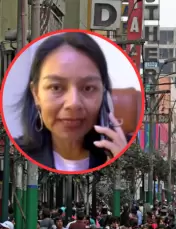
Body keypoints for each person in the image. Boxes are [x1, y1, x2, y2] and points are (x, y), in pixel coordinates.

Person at [15, 32, 128, 171]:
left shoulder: (121, 151)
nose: (73, 103)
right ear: (36, 93)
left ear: (104, 96)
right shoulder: (15, 157)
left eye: (88, 88)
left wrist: (119, 166)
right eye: (56, 87)